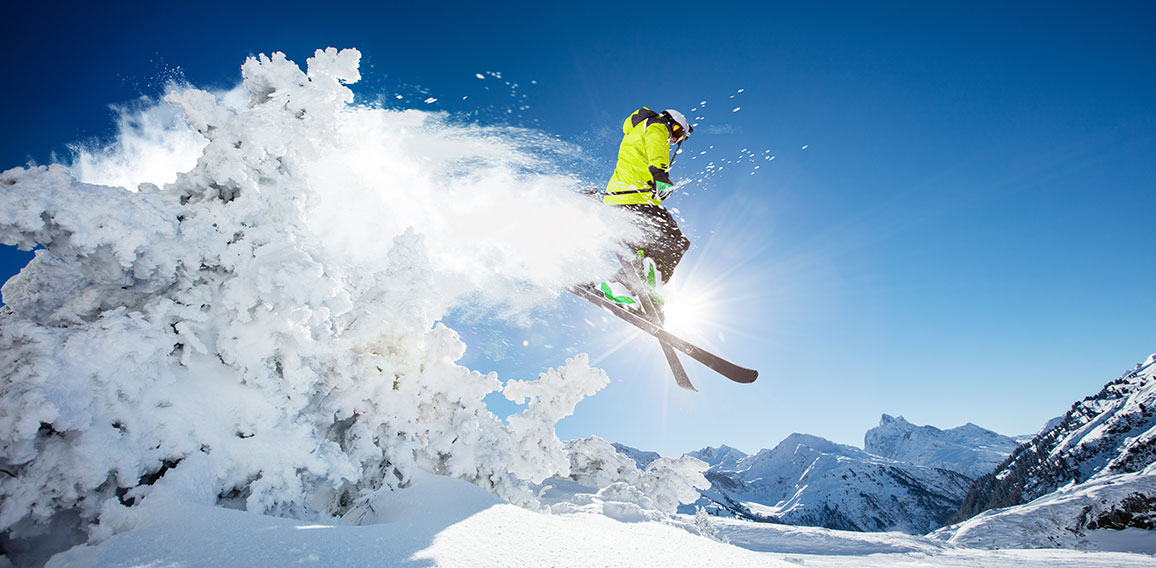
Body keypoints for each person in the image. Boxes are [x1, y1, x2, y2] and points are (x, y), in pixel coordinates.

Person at [600, 107, 693, 306]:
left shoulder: (636, 131)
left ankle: (617, 287)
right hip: (634, 200)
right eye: (676, 133)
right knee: (676, 242)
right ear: (670, 122)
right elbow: (656, 149)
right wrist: (660, 175)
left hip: (621, 202)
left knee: (646, 252)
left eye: (678, 139)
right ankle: (652, 285)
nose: (673, 140)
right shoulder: (657, 126)